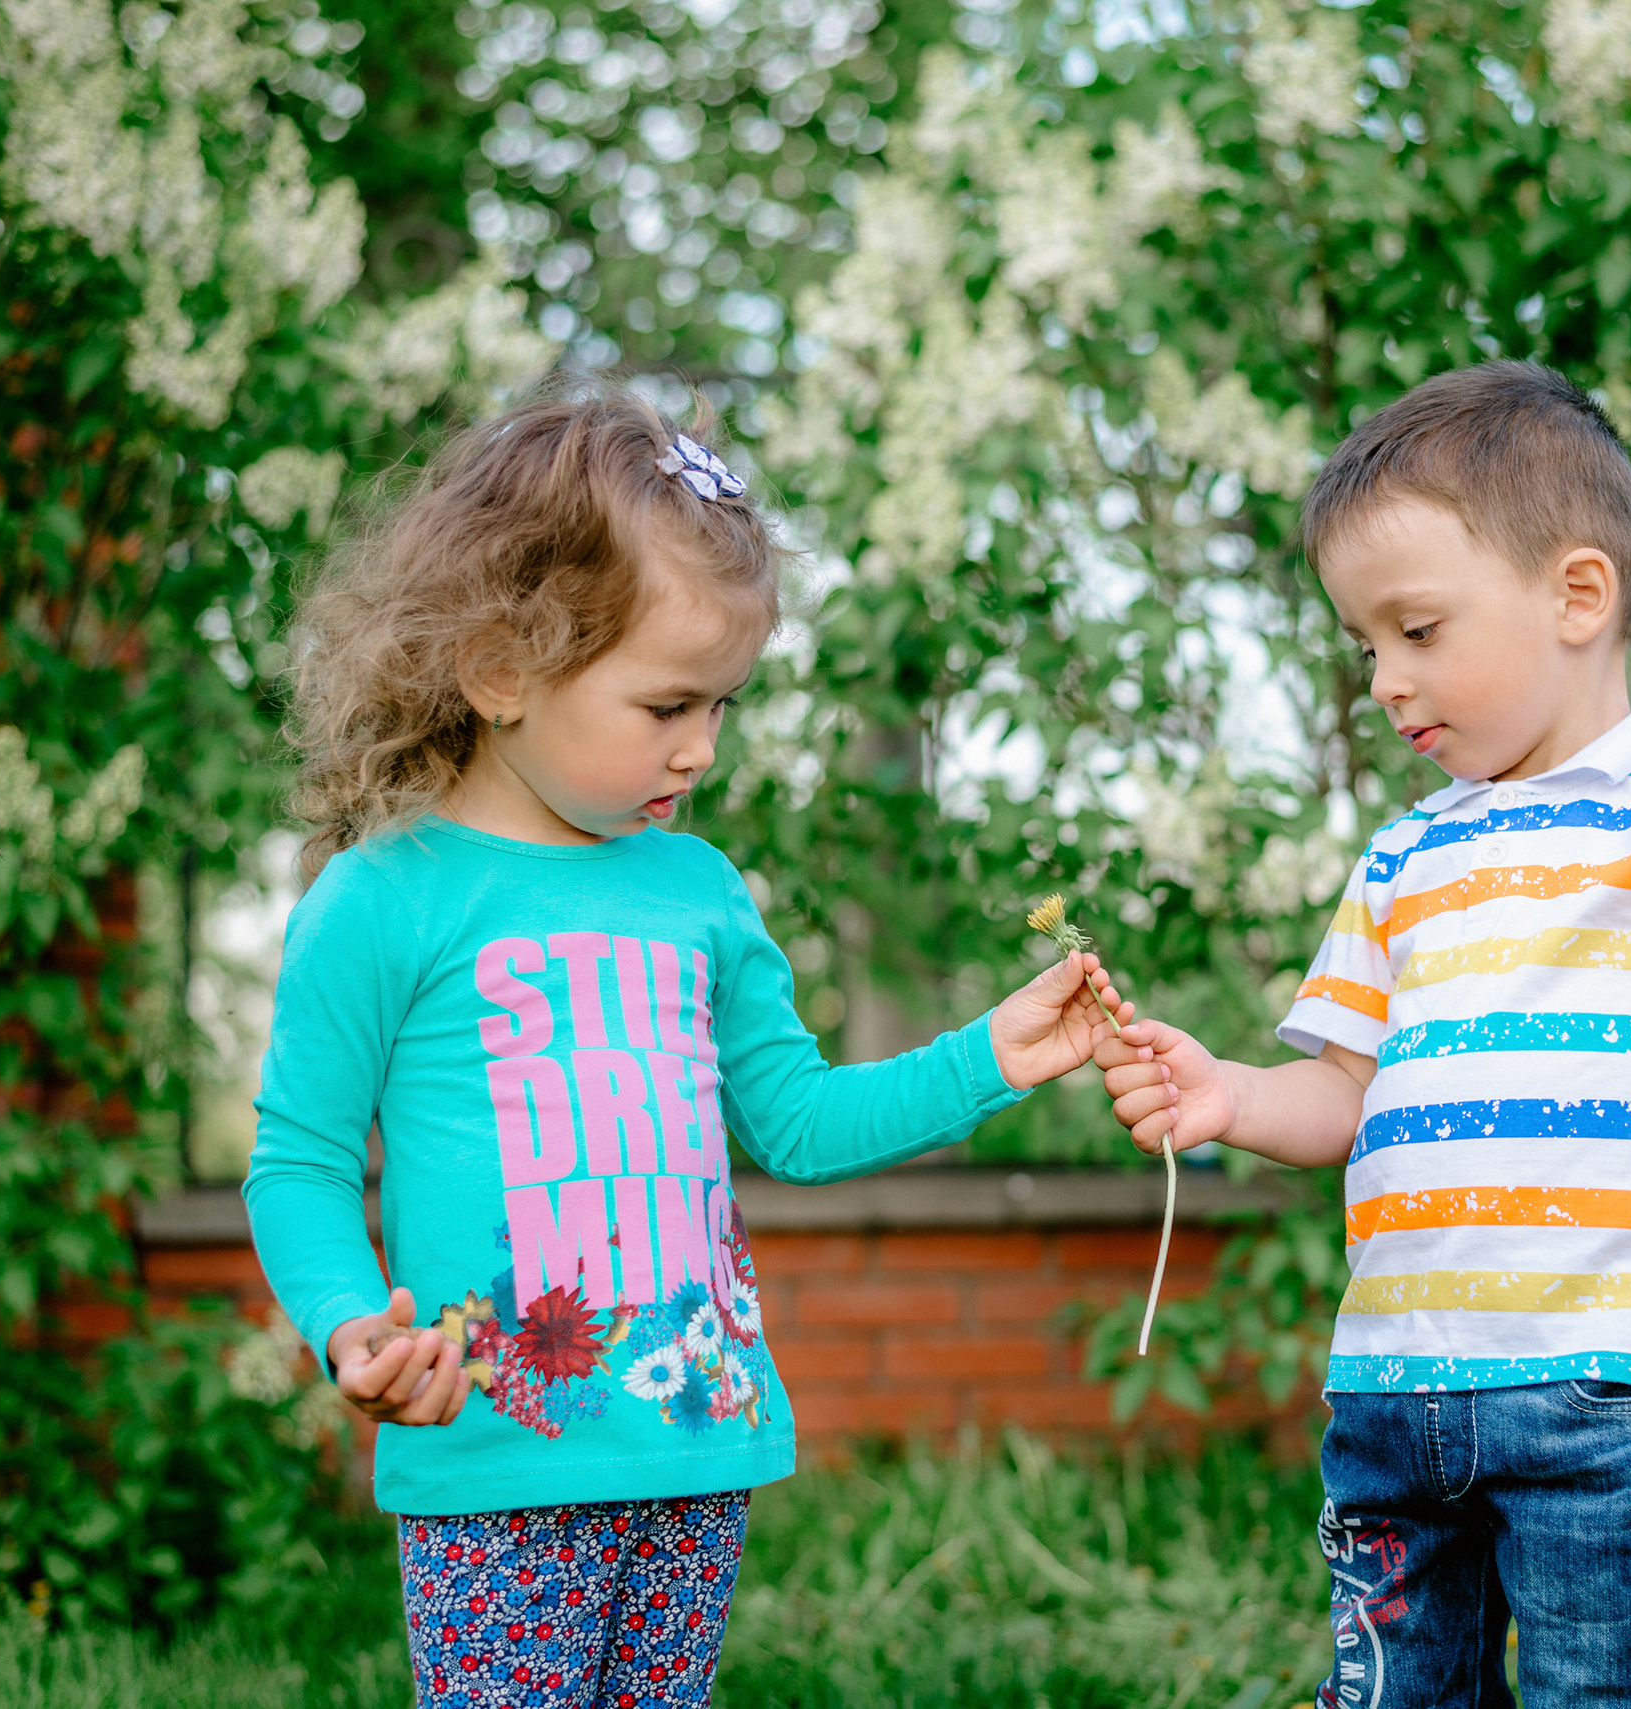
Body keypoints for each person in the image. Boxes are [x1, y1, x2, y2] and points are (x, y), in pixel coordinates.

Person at [243, 382, 1130, 1708]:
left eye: (723, 705)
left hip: (697, 1447)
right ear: (500, 671)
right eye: (667, 706)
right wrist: (349, 1323)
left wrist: (986, 1055)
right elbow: (299, 1161)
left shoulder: (699, 890)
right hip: (500, 1463)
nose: (703, 747)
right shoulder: (385, 898)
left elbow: (798, 1124)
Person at [1093, 360, 1631, 1707]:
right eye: (1367, 647)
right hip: (1394, 1396)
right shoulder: (1405, 856)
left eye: (1417, 629)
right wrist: (1229, 1093)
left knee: (1600, 1695)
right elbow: (1343, 1088)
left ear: (1580, 595)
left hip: (1612, 1395)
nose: (1388, 681)